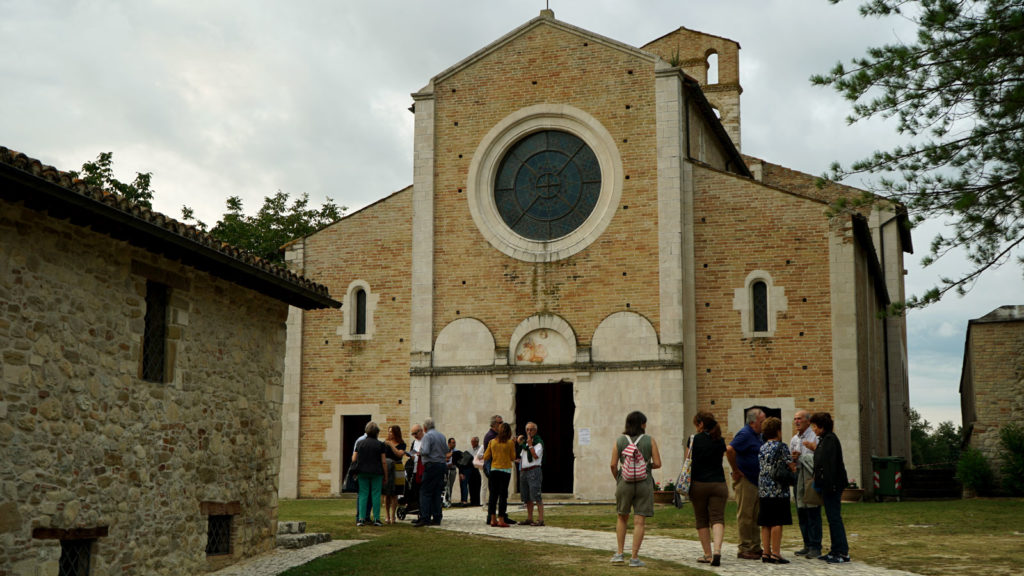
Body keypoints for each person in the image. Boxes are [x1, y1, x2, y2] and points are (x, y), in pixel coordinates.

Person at [609, 410, 661, 568]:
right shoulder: (650, 440)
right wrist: (646, 466)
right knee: (639, 521)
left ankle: (619, 554)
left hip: (624, 483)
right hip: (644, 482)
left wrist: (619, 477)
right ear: (642, 424)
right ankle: (634, 557)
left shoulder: (619, 441)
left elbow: (612, 464)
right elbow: (658, 463)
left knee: (622, 517)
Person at [811, 412, 851, 563]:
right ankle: (835, 550)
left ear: (821, 427)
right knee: (831, 518)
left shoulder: (830, 440)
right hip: (827, 485)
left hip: (832, 486)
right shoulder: (824, 440)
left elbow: (830, 465)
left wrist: (829, 486)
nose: (813, 430)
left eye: (815, 426)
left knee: (834, 519)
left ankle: (842, 552)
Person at [726, 408, 765, 560]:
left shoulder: (758, 435)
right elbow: (730, 449)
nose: (764, 424)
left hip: (756, 480)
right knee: (745, 515)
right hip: (746, 480)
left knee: (755, 515)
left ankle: (755, 546)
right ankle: (745, 547)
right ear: (753, 422)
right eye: (762, 421)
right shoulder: (745, 434)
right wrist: (736, 469)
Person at [689, 411, 727, 567]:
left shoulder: (694, 440)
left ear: (701, 424)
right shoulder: (720, 440)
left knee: (702, 519)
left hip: (699, 484)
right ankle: (717, 550)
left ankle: (707, 554)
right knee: (717, 518)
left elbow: (688, 461)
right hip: (718, 483)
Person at [757, 417, 795, 564]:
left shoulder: (762, 447)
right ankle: (776, 553)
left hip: (764, 487)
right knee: (777, 521)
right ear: (778, 431)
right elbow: (791, 465)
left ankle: (765, 552)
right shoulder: (782, 447)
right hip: (778, 488)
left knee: (765, 522)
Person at [790, 410, 822, 558]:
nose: (797, 421)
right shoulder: (794, 439)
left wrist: (803, 456)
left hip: (810, 477)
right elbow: (792, 461)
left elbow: (819, 457)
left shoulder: (814, 437)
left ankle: (815, 546)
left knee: (812, 511)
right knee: (801, 511)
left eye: (799, 419)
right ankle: (807, 544)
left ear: (808, 421)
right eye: (795, 419)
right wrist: (793, 460)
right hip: (799, 477)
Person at [351, 421, 388, 527]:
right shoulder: (380, 445)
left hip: (362, 472)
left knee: (363, 494)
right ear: (377, 433)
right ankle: (376, 518)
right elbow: (384, 461)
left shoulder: (359, 443)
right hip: (376, 472)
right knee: (376, 494)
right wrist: (385, 475)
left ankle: (361, 519)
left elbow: (354, 458)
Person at [413, 417, 447, 527]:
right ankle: (437, 518)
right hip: (441, 465)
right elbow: (446, 450)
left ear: (425, 427)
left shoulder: (428, 436)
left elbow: (426, 451)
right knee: (437, 492)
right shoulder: (441, 436)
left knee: (425, 492)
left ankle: (425, 517)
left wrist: (420, 451)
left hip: (431, 465)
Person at [483, 421, 517, 527]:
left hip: (494, 470)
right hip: (505, 471)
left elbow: (486, 456)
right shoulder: (510, 443)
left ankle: (493, 519)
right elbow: (513, 457)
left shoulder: (492, 442)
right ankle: (501, 519)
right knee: (503, 496)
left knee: (493, 495)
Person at [517, 421, 544, 526]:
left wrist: (530, 445)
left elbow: (535, 456)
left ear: (535, 431)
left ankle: (541, 519)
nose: (529, 431)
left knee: (536, 496)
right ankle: (529, 518)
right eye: (527, 429)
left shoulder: (538, 442)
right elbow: (522, 456)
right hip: (524, 471)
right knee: (527, 497)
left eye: (531, 429)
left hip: (534, 470)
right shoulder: (526, 444)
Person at [382, 425, 407, 525]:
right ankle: (387, 516)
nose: (389, 434)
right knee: (387, 493)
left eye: (391, 432)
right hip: (388, 469)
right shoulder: (385, 444)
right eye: (388, 432)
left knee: (395, 493)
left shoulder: (402, 444)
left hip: (397, 469)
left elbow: (399, 454)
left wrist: (391, 445)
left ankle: (393, 516)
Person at [480, 414, 502, 523]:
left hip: (495, 466)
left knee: (496, 492)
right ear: (494, 424)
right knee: (494, 493)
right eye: (500, 423)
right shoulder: (491, 436)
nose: (501, 425)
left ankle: (495, 516)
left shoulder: (495, 435)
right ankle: (491, 517)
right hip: (493, 467)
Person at [466, 436, 483, 506]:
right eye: (471, 441)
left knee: (478, 485)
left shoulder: (480, 449)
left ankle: (478, 501)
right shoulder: (469, 450)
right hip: (471, 469)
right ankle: (472, 501)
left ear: (477, 442)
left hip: (477, 469)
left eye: (473, 441)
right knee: (471, 485)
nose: (472, 443)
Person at [444, 437, 459, 507]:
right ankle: (445, 500)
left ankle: (449, 500)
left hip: (452, 470)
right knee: (445, 486)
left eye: (455, 442)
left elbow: (458, 461)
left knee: (450, 486)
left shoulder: (456, 452)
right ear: (449, 443)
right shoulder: (445, 450)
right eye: (453, 443)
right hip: (445, 470)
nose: (454, 444)